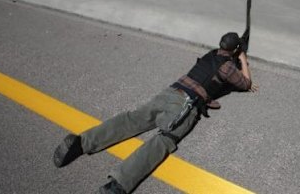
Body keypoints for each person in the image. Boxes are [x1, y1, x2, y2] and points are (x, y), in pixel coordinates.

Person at [53, 32, 257, 194]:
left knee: (134, 119)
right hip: (186, 105)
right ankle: (118, 184)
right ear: (234, 50)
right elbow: (245, 84)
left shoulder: (211, 54)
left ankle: (81, 142)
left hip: (170, 92)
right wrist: (243, 59)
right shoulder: (228, 67)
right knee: (163, 141)